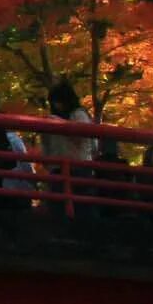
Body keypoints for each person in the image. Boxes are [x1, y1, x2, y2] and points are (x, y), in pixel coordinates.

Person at [43, 81, 95, 214]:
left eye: (58, 101)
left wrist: (58, 123)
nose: (55, 105)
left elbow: (80, 136)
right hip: (58, 169)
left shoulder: (79, 115)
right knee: (58, 208)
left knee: (80, 209)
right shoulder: (51, 119)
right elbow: (47, 145)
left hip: (78, 168)